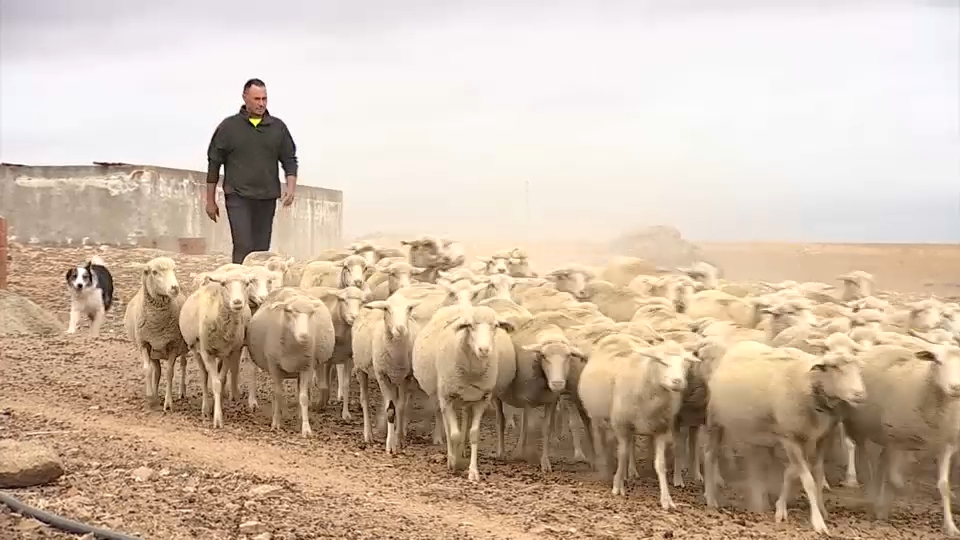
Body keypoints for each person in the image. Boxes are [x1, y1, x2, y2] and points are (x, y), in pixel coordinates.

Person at [205, 78, 299, 264]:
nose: (261, 103)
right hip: (238, 196)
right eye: (256, 99)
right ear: (245, 98)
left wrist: (291, 188)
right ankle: (237, 285)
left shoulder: (278, 128)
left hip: (266, 197)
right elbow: (214, 163)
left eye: (264, 99)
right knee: (243, 245)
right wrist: (210, 200)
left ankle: (257, 289)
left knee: (261, 250)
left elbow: (289, 159)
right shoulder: (229, 127)